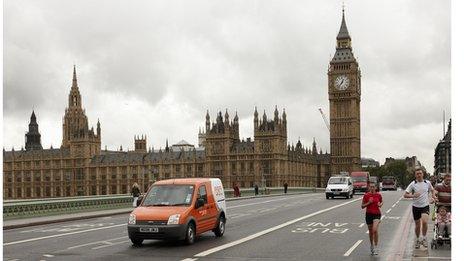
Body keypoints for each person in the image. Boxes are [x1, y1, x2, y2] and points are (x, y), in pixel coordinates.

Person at [404, 168, 438, 249]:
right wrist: (413, 195)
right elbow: (405, 195)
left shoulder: (427, 183)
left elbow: (433, 190)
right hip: (416, 207)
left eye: (420, 173)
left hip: (425, 206)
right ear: (415, 175)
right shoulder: (413, 184)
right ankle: (418, 239)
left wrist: (433, 196)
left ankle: (424, 238)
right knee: (417, 225)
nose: (419, 175)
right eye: (417, 174)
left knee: (425, 222)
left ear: (423, 174)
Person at [362, 182, 383, 255]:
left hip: (377, 214)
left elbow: (381, 202)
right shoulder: (366, 195)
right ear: (369, 188)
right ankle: (372, 245)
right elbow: (362, 206)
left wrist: (380, 204)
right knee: (371, 232)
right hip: (369, 214)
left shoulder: (378, 195)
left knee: (375, 230)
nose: (372, 188)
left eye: (373, 187)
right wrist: (368, 202)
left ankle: (376, 247)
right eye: (371, 187)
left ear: (376, 188)